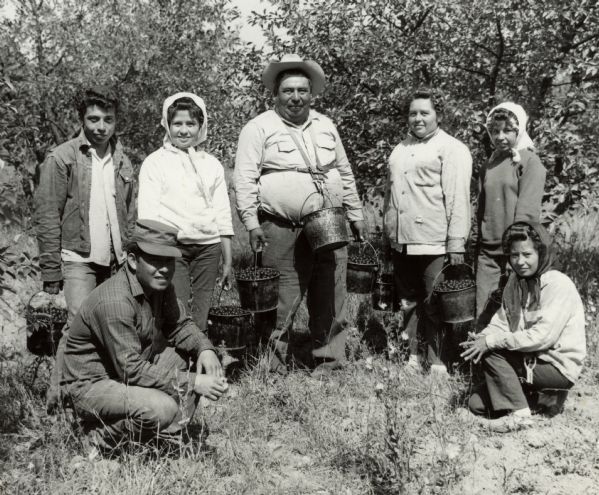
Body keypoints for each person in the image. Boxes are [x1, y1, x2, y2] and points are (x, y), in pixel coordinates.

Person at [234, 54, 366, 374]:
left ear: (312, 93)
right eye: (288, 91)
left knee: (330, 293)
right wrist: (251, 223)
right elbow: (244, 179)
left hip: (329, 223)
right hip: (281, 227)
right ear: (276, 94)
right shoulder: (258, 128)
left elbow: (344, 172)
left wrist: (356, 213)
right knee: (281, 298)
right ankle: (275, 367)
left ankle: (330, 362)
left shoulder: (326, 125)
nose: (295, 97)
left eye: (302, 91)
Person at [61, 219, 227, 449]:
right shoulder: (115, 301)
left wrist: (205, 349)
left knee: (190, 355)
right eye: (154, 260)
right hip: (93, 387)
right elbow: (131, 371)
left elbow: (180, 326)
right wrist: (193, 382)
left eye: (168, 260)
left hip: (122, 373)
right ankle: (95, 437)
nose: (164, 269)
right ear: (131, 260)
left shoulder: (160, 286)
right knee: (162, 408)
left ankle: (163, 435)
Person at [32, 86, 137, 411]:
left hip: (117, 259)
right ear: (82, 120)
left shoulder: (122, 158)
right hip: (79, 258)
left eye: (108, 119)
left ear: (116, 121)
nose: (101, 126)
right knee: (77, 323)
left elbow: (131, 211)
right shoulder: (62, 157)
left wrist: (132, 255)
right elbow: (47, 213)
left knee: (114, 322)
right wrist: (51, 269)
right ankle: (58, 400)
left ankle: (103, 393)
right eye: (93, 119)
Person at [383, 88, 473, 375]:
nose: (418, 118)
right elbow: (391, 196)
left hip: (434, 241)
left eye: (425, 112)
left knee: (435, 302)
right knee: (407, 301)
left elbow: (458, 197)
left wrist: (456, 242)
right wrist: (388, 234)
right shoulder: (400, 149)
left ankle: (437, 362)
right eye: (413, 113)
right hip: (402, 241)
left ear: (438, 115)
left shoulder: (452, 149)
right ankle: (411, 357)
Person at [461, 222, 585, 429]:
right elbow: (502, 322)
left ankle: (520, 416)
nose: (520, 262)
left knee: (493, 350)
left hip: (554, 365)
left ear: (541, 252)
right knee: (476, 404)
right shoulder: (516, 283)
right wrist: (481, 339)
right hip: (530, 359)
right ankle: (544, 399)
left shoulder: (557, 284)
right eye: (514, 255)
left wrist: (490, 343)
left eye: (527, 255)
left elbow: (542, 337)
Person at [138, 92, 234, 331]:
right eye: (177, 123)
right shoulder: (155, 162)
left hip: (208, 248)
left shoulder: (211, 164)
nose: (183, 130)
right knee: (175, 309)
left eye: (190, 124)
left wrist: (227, 257)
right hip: (172, 248)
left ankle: (198, 361)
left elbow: (222, 211)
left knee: (201, 312)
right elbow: (148, 214)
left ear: (200, 127)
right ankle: (173, 362)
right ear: (167, 125)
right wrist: (154, 254)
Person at [474, 102, 546, 324]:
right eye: (495, 131)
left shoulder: (529, 161)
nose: (500, 136)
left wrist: (516, 252)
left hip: (515, 250)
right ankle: (481, 356)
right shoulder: (490, 163)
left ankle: (513, 356)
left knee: (514, 310)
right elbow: (481, 206)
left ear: (519, 130)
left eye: (507, 130)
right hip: (488, 250)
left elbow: (527, 212)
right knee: (483, 307)